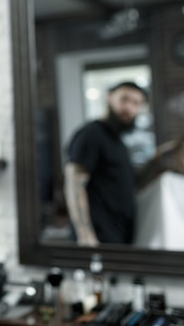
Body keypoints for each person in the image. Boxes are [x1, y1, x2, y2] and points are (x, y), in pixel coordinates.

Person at [63, 81, 148, 246]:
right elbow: (74, 184)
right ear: (109, 98)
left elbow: (131, 182)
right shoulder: (91, 134)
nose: (128, 108)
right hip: (97, 238)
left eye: (136, 103)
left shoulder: (118, 142)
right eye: (124, 99)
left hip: (118, 235)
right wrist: (85, 235)